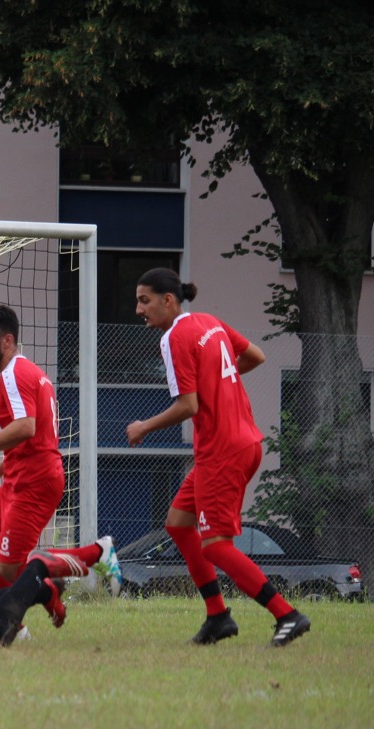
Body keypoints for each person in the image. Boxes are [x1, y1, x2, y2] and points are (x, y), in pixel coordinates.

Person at [125, 267, 311, 647]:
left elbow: (188, 406)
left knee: (216, 546)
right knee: (179, 524)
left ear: (168, 300)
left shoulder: (174, 337)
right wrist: (218, 382)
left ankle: (287, 614)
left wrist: (144, 426)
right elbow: (256, 356)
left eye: (144, 301)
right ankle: (217, 617)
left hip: (222, 451)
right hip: (244, 441)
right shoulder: (209, 322)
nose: (139, 309)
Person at [0, 304, 118, 629]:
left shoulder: (14, 374)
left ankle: (96, 554)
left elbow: (26, 428)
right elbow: (33, 437)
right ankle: (11, 622)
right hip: (20, 474)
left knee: (10, 568)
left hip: (34, 480)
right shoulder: (27, 372)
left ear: (7, 340)